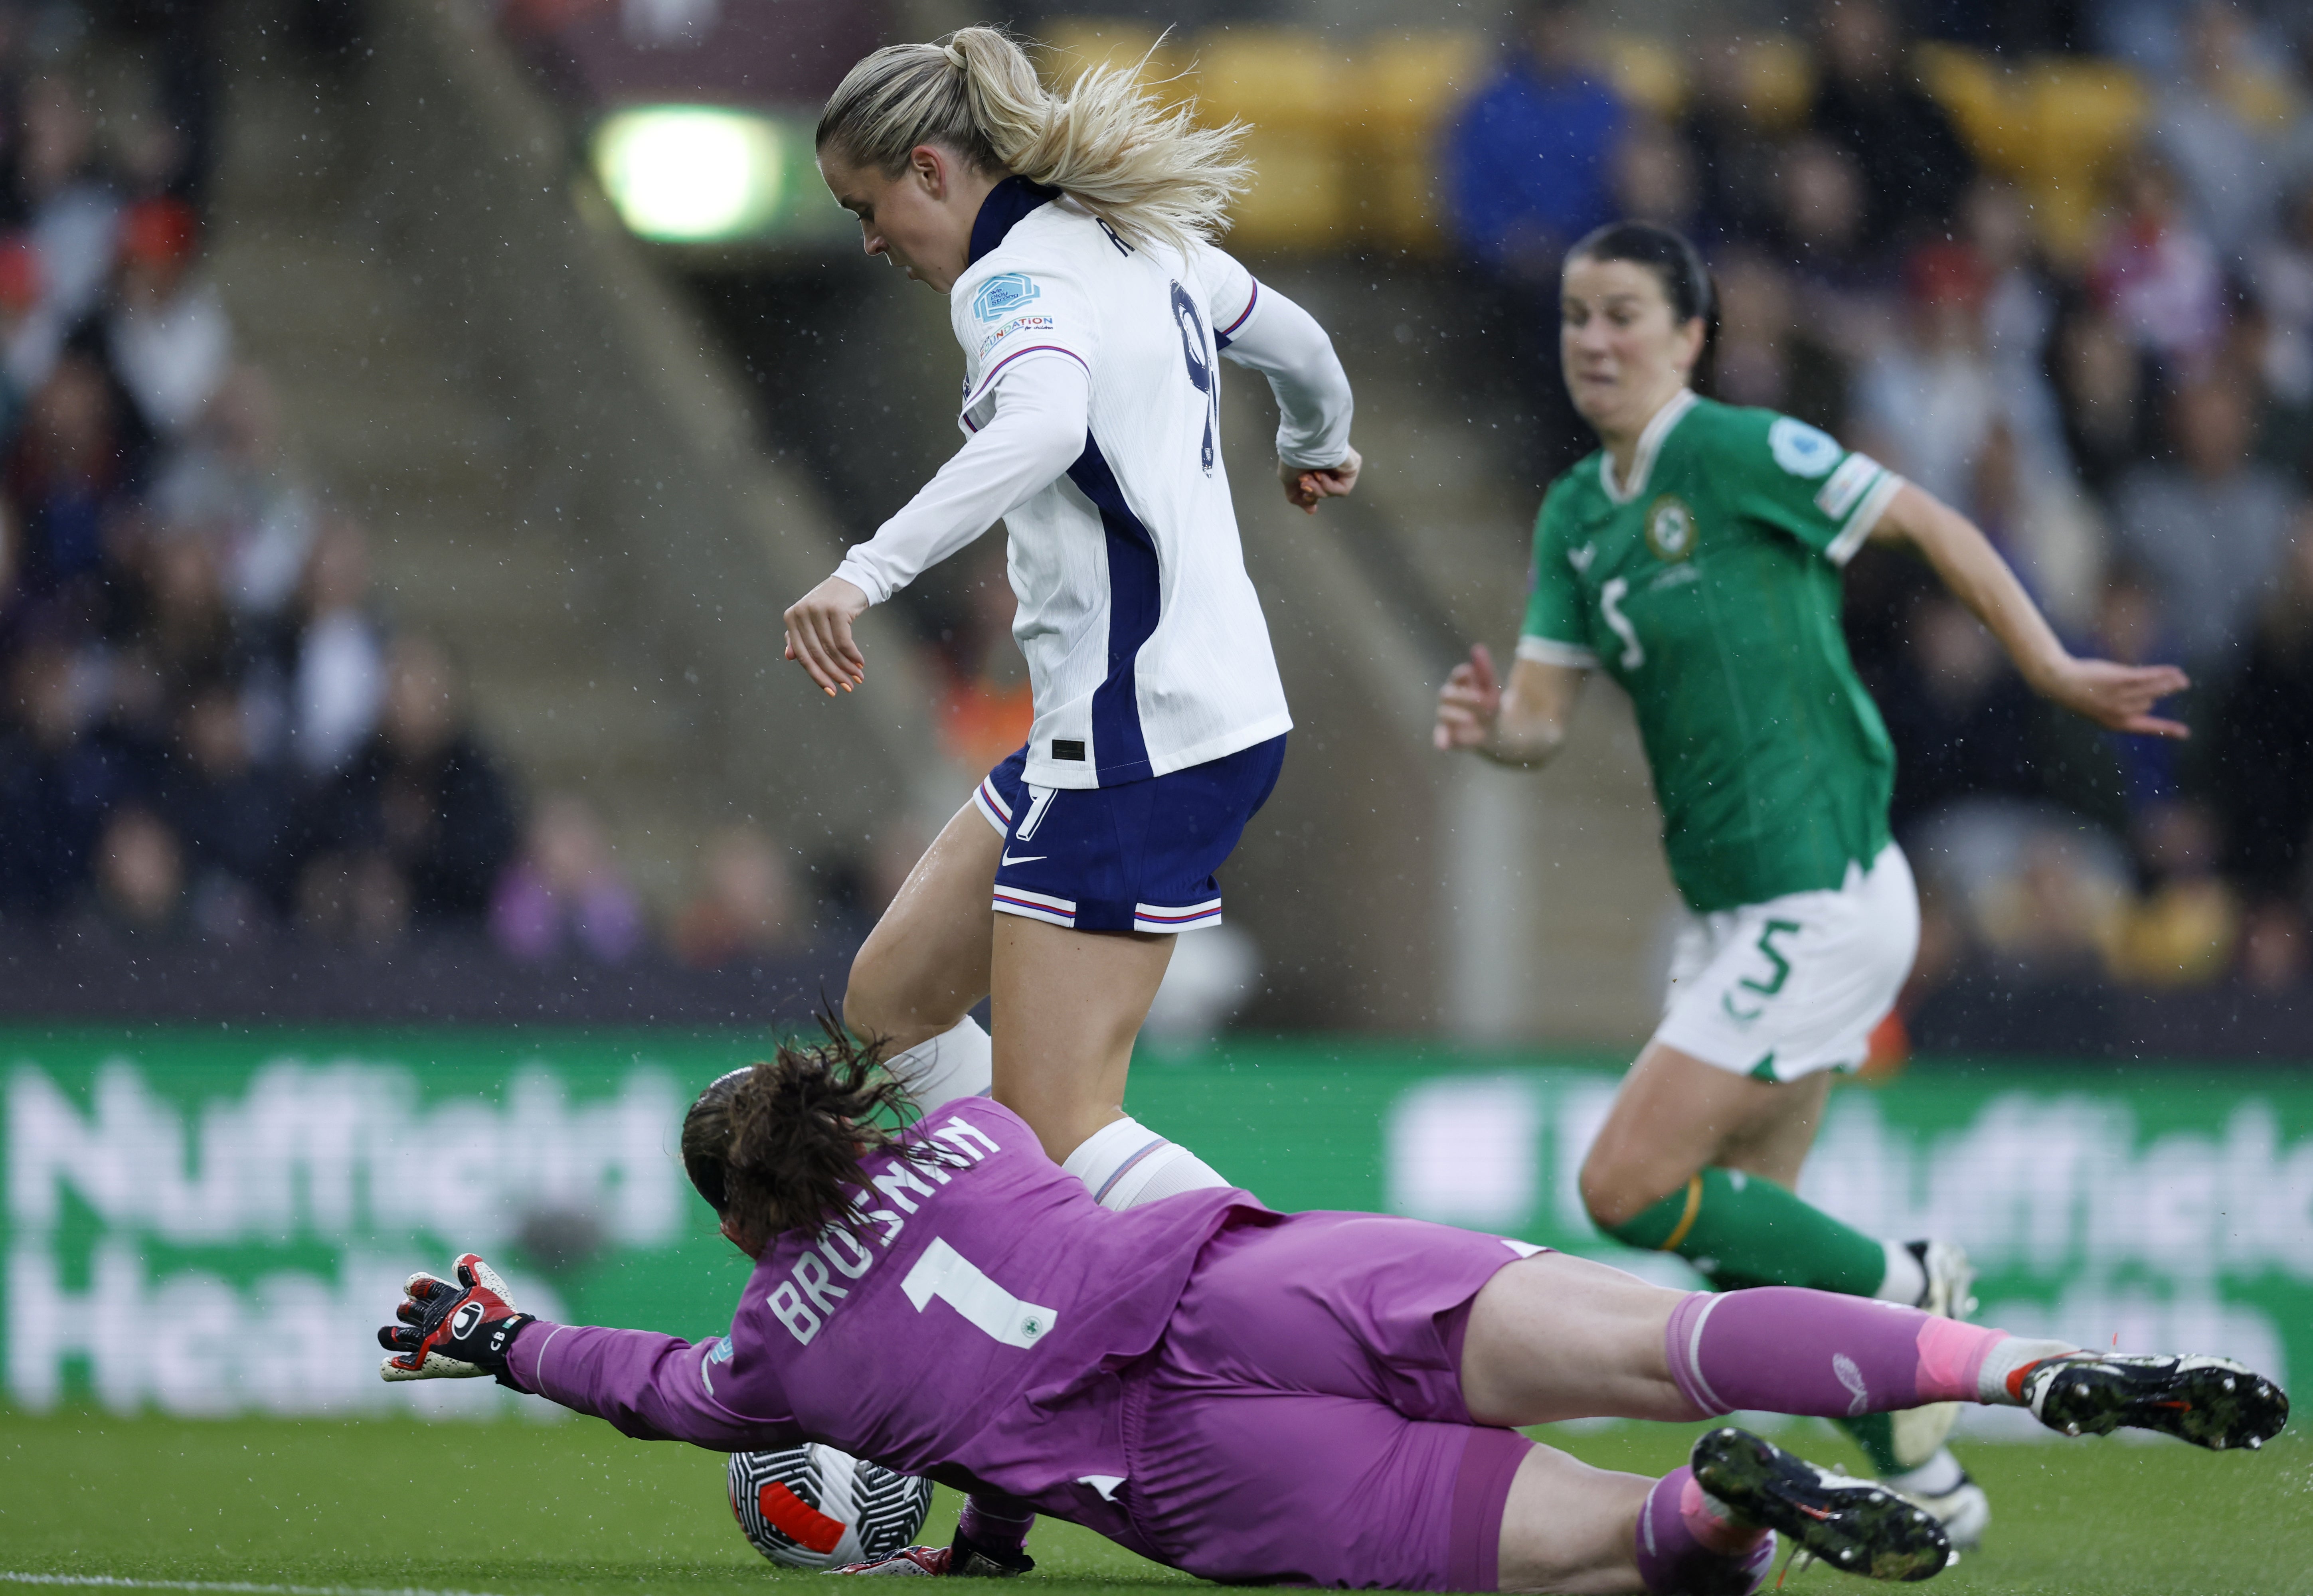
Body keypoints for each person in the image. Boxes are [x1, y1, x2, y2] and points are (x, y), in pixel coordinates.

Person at [375, 1032, 2289, 1594]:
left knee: (1605, 1554)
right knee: (1666, 1331)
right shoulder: (963, 1126)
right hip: (1261, 1273)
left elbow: (639, 1381)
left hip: (1193, 1459)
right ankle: (2026, 1367)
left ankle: (1716, 1505)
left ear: (735, 1215)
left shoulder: (784, 1357)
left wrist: (493, 1337)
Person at [1432, 221, 2192, 1547]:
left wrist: (2052, 667)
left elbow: (1926, 518)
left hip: (1821, 890)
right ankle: (1937, 1488)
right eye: (1573, 317)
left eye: (1621, 315)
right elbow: (1545, 721)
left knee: (1624, 1189)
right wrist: (1491, 726)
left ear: (1689, 338)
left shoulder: (1730, 453)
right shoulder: (1574, 513)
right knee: (1744, 1248)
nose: (1592, 342)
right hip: (1729, 911)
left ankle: (1910, 1281)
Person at [783, 29, 1357, 1209]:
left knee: (1054, 1130)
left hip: (1140, 734)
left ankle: (1283, 1306)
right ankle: (1038, 1265)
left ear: (932, 171)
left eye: (868, 205)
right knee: (889, 1009)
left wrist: (863, 572)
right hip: (1144, 720)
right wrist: (1318, 443)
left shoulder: (1010, 283)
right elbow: (1302, 347)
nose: (871, 240)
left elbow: (1041, 427)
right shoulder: (1138, 236)